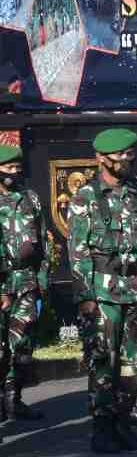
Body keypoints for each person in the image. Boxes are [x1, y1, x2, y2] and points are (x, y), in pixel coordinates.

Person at [67, 129, 137, 453]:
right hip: (103, 294)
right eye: (119, 155)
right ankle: (102, 430)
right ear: (101, 159)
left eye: (129, 153)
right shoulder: (86, 197)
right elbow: (78, 251)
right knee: (103, 364)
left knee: (133, 365)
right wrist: (85, 296)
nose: (126, 159)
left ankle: (123, 426)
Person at [0, 144, 47, 431]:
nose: (14, 173)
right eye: (8, 169)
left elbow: (43, 241)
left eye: (17, 168)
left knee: (21, 345)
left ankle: (14, 400)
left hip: (26, 282)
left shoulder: (29, 197)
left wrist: (42, 282)